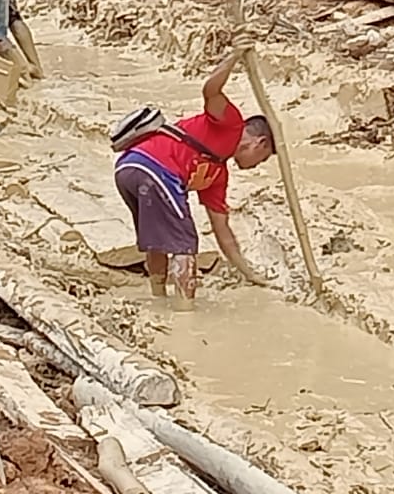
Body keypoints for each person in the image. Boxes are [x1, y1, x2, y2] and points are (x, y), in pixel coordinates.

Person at [114, 42, 274, 307]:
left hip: (128, 168)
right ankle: (184, 309)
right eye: (263, 159)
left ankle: (158, 298)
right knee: (184, 242)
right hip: (155, 168)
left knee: (157, 238)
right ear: (259, 143)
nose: (257, 165)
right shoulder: (231, 123)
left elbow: (222, 231)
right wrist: (233, 56)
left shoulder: (217, 174)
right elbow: (211, 90)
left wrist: (249, 273)